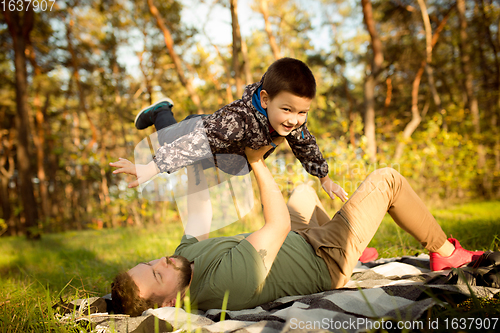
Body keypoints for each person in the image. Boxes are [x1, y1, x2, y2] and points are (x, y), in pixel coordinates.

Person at [109, 143, 484, 317]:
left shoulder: (181, 262)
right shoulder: (223, 286)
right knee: (387, 180)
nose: (162, 259)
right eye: (157, 272)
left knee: (304, 192)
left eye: (151, 261)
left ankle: (360, 248)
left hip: (302, 241)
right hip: (324, 260)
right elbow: (278, 224)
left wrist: (190, 159)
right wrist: (255, 160)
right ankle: (446, 252)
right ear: (169, 303)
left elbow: (199, 212)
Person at [117, 57, 348, 202]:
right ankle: (161, 110)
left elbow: (306, 146)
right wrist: (151, 167)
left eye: (302, 112)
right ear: (265, 100)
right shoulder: (237, 122)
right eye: (287, 109)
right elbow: (196, 144)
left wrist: (324, 178)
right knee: (166, 138)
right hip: (199, 132)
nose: (295, 120)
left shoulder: (292, 122)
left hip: (223, 154)